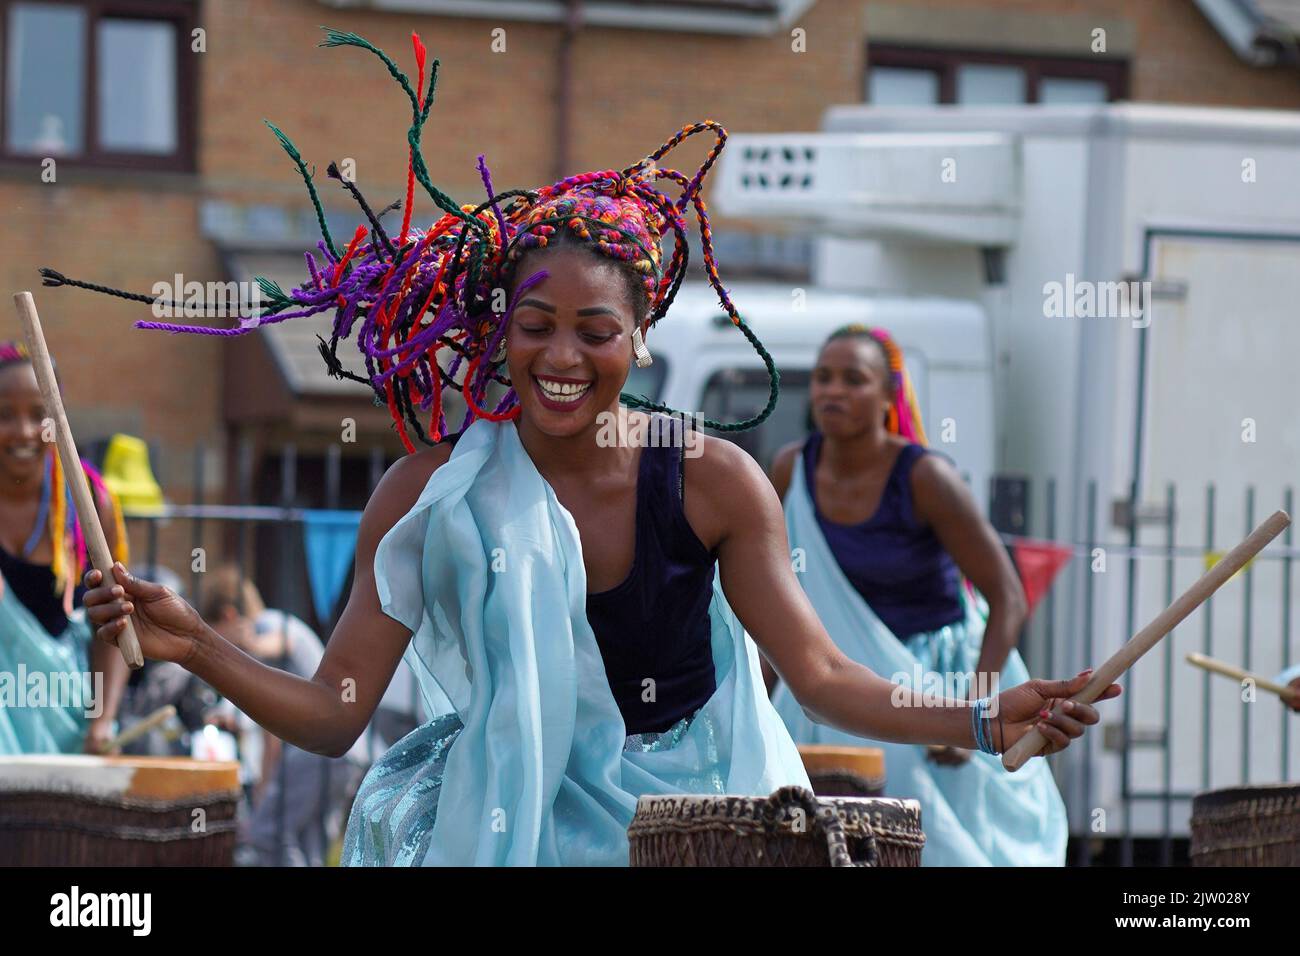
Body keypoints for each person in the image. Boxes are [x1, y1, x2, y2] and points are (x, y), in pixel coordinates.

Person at [67, 28, 1118, 866]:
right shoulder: (426, 496)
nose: (561, 356)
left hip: (704, 828)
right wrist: (195, 640)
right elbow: (338, 714)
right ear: (496, 334)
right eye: (534, 327)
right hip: (502, 821)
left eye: (595, 331)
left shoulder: (712, 480)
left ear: (642, 338)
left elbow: (823, 670)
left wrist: (981, 715)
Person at [765, 324, 1070, 866]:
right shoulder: (791, 467)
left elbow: (1007, 596)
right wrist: (764, 702)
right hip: (826, 684)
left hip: (929, 681)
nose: (833, 391)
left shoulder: (926, 477)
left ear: (888, 397)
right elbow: (773, 598)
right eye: (823, 378)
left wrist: (972, 715)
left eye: (854, 379)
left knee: (928, 844)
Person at [0, 341, 130, 755]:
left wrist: (102, 723)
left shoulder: (88, 503)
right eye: (4, 415)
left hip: (66, 730)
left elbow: (117, 620)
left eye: (38, 415)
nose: (22, 431)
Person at [198, 566, 365, 866]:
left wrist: (251, 646)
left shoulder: (269, 623)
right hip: (347, 752)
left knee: (268, 832)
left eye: (217, 636)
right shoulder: (278, 624)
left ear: (229, 617)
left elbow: (283, 641)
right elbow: (271, 729)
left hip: (316, 751)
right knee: (310, 845)